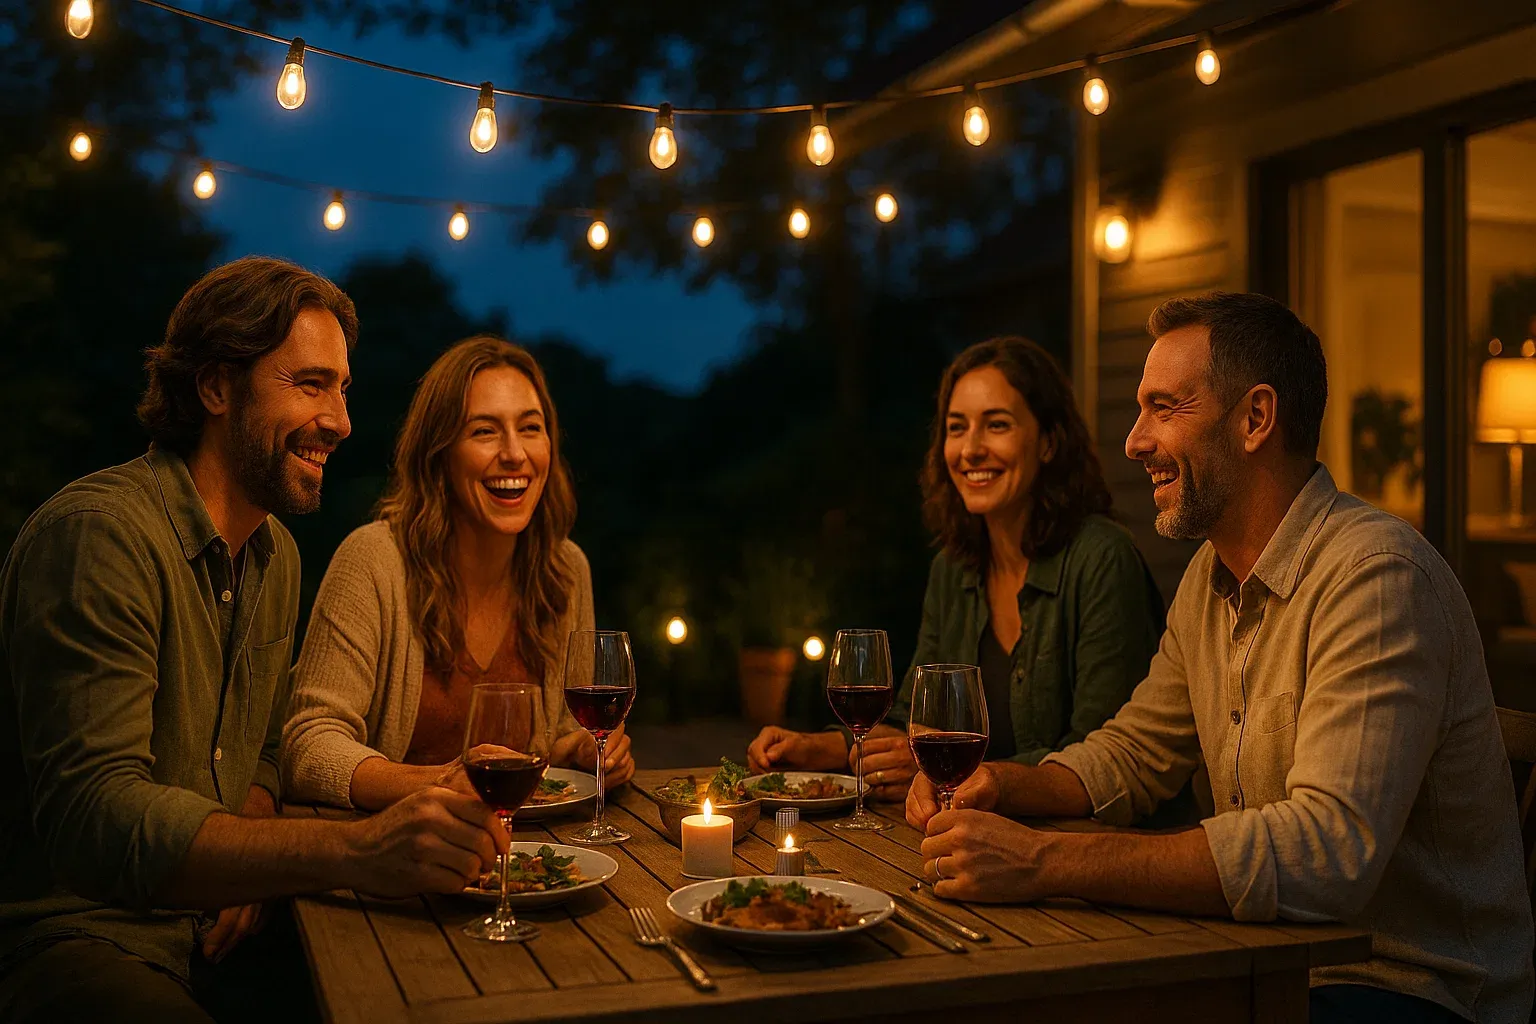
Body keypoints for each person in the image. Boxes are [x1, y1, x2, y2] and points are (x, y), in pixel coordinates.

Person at [908, 292, 1534, 1023]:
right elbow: (1133, 753)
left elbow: (1324, 853)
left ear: (1255, 419)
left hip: (1406, 989)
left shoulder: (1376, 578)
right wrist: (1000, 785)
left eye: (1164, 408)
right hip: (1267, 960)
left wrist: (1043, 862)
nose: (1135, 441)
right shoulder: (1210, 582)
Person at [0, 258, 509, 1024]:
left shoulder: (275, 557)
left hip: (222, 927)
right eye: (309, 383)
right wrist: (356, 850)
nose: (338, 419)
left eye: (343, 388)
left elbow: (266, 748)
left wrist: (252, 838)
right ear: (215, 388)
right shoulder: (98, 538)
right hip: (77, 939)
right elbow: (95, 822)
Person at [749, 336, 1163, 804]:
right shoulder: (954, 567)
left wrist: (958, 775)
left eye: (997, 425)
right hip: (970, 832)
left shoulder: (1102, 559)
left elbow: (1103, 756)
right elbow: (912, 719)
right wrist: (818, 748)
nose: (970, 450)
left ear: (1048, 441)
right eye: (956, 427)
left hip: (1081, 848)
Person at [281, 336, 633, 812]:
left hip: (538, 858)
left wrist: (579, 751)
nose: (514, 454)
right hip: (396, 863)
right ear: (439, 453)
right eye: (485, 431)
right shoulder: (374, 561)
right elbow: (307, 745)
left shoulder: (565, 569)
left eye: (530, 427)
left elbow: (550, 746)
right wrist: (442, 782)